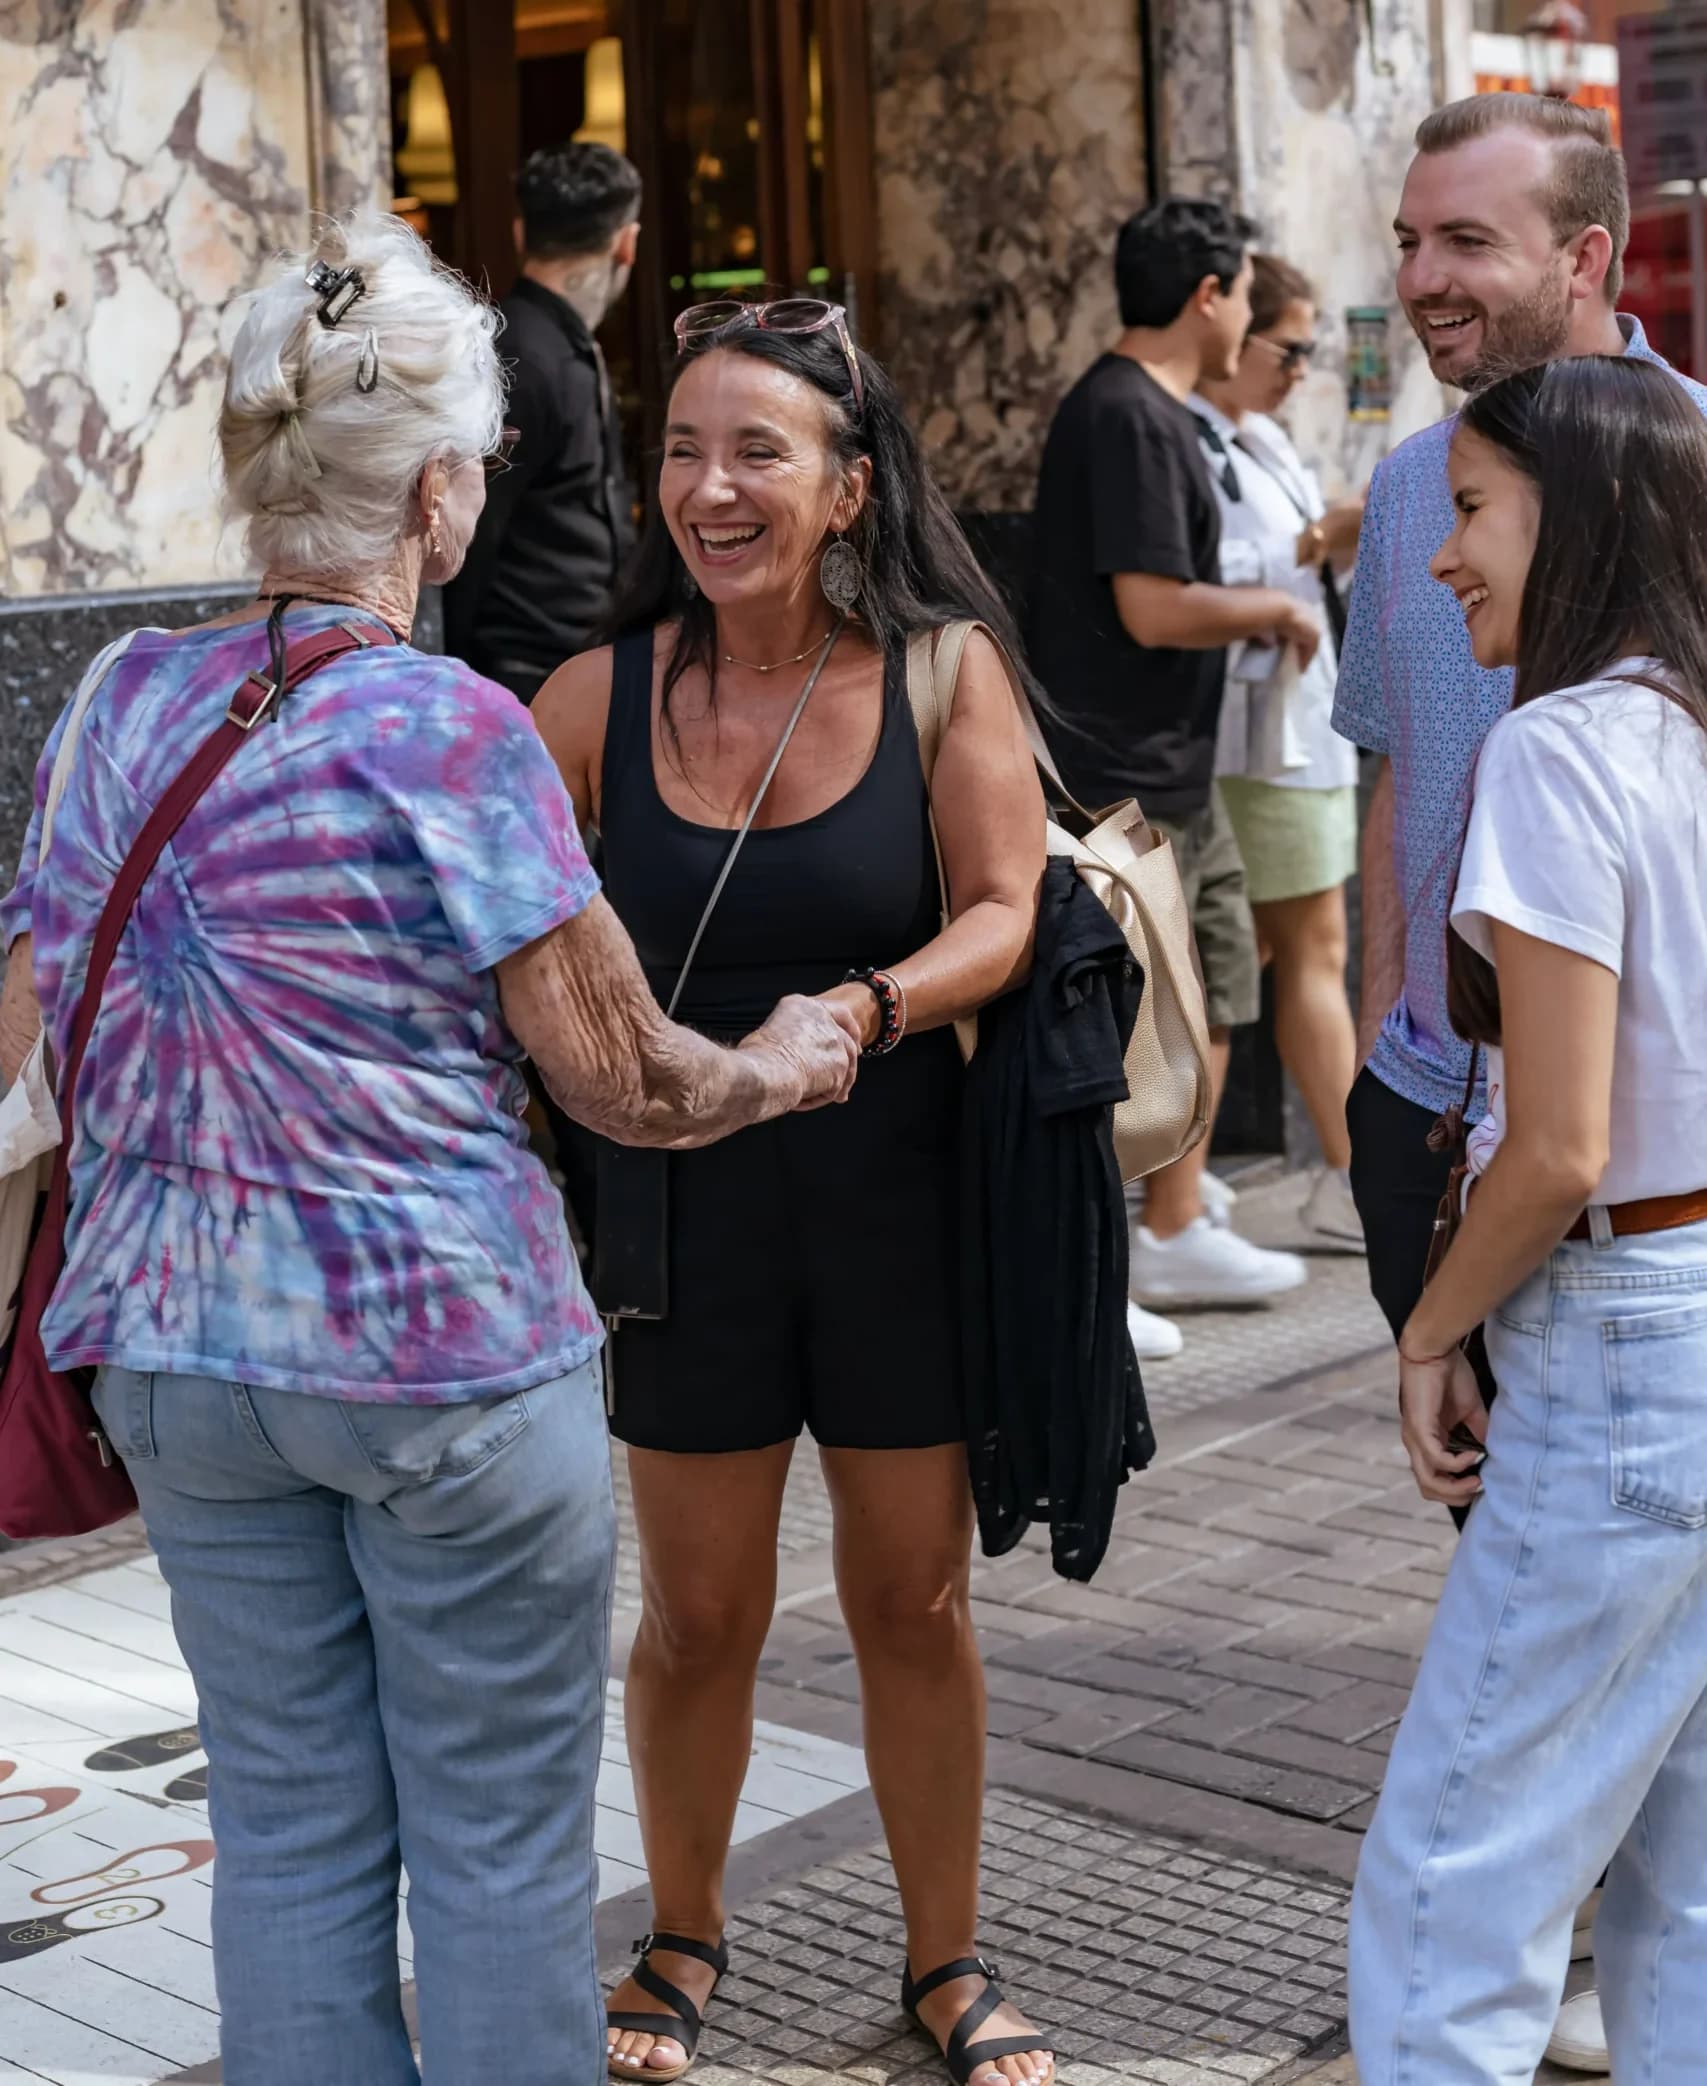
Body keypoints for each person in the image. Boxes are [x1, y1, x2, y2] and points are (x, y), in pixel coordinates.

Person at [0, 217, 859, 2086]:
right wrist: (780, 1065)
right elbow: (623, 1079)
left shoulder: (114, 697)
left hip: (172, 1356)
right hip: (439, 1365)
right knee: (493, 1850)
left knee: (287, 1827)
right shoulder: (448, 729)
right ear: (440, 492)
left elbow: (25, 1029)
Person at [532, 301, 1056, 2086]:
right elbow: (493, 922)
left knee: (913, 1599)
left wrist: (862, 1006)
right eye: (680, 450)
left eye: (756, 450)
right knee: (697, 1616)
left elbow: (1006, 908)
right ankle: (680, 1932)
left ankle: (945, 1956)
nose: (710, 486)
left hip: (896, 1206)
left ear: (848, 486)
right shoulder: (595, 694)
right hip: (680, 1223)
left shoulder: (940, 671)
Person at [1332, 94, 1707, 2075]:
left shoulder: (1567, 741)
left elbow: (1557, 1139)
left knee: (1450, 1877)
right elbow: (1391, 768)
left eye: (1460, 239)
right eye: (1404, 238)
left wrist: (1424, 1324)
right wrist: (1378, 1049)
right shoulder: (1664, 711)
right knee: (1677, 1864)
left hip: (1596, 1278)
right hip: (1620, 1241)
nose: (1438, 551)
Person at [1027, 196, 1309, 1361]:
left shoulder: (1150, 411)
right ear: (1207, 295)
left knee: (1208, 988)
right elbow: (1150, 606)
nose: (1245, 315)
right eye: (1242, 293)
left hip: (1166, 769)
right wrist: (1274, 608)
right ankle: (1116, 1255)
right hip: (1121, 776)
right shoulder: (1129, 416)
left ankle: (1174, 1222)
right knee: (1142, 1022)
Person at [1192, 253, 1365, 1249]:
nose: (1300, 370)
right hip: (1260, 739)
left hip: (1295, 726)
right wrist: (1320, 534)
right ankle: (1346, 1176)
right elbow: (1196, 574)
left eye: (1309, 352)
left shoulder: (1256, 436)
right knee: (1300, 951)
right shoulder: (1186, 436)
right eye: (1288, 348)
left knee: (1246, 960)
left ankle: (1172, 1190)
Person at [441, 141, 642, 702]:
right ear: (627, 244)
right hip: (521, 680)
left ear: (520, 233)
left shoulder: (542, 346)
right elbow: (469, 530)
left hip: (570, 669)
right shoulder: (521, 356)